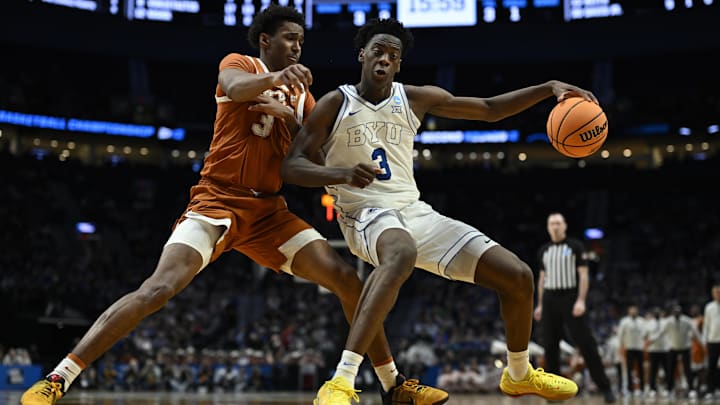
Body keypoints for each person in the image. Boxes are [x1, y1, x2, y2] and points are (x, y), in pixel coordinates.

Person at [19, 6, 445, 405]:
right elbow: (235, 88)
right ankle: (58, 378)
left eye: (301, 41)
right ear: (265, 41)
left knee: (347, 281)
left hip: (269, 214)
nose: (298, 47)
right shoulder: (241, 64)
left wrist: (291, 116)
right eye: (289, 39)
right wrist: (275, 81)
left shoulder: (304, 98)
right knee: (158, 289)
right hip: (217, 200)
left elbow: (315, 160)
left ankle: (393, 386)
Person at [282, 17, 595, 405]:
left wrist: (548, 88)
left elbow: (488, 109)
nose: (384, 59)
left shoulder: (413, 98)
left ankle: (518, 374)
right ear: (362, 54)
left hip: (414, 211)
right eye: (377, 51)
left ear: (398, 65)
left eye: (392, 55)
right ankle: (342, 380)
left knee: (518, 276)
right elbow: (292, 166)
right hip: (363, 213)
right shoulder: (336, 102)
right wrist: (340, 173)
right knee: (401, 252)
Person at [533, 212, 616, 403]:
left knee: (586, 343)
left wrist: (581, 300)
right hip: (549, 299)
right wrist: (539, 304)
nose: (555, 226)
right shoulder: (543, 250)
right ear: (548, 227)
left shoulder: (575, 247)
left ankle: (605, 387)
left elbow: (584, 275)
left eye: (558, 223)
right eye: (552, 223)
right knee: (550, 347)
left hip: (570, 296)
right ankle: (554, 392)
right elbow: (542, 279)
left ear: (564, 226)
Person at [648, 303, 703, 399]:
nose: (677, 314)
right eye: (675, 312)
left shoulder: (687, 320)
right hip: (672, 347)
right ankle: (669, 389)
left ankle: (691, 389)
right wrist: (652, 339)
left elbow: (696, 333)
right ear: (672, 313)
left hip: (685, 347)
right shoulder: (668, 322)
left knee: (687, 369)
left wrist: (703, 344)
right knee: (670, 369)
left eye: (678, 312)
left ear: (681, 313)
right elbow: (661, 333)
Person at [617, 304, 646, 397]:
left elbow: (645, 334)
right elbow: (620, 335)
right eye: (631, 310)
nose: (633, 312)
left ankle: (642, 389)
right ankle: (630, 389)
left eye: (635, 310)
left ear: (637, 311)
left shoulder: (642, 321)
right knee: (629, 369)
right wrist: (621, 347)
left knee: (641, 369)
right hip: (629, 348)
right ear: (629, 311)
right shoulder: (624, 321)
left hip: (639, 348)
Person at [702, 283, 720, 400]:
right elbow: (706, 325)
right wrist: (704, 340)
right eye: (715, 292)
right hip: (712, 340)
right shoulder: (709, 307)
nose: (717, 294)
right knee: (711, 366)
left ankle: (718, 389)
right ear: (712, 294)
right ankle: (710, 390)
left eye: (719, 292)